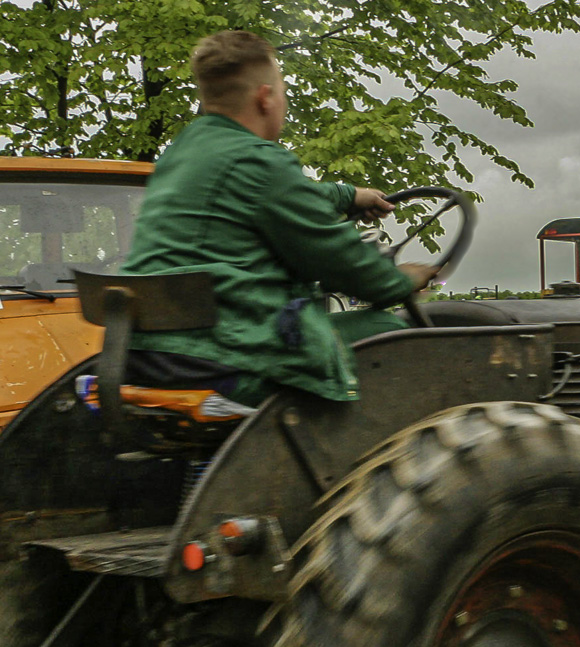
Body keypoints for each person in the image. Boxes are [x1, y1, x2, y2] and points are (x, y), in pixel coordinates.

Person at [123, 30, 437, 407]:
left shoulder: (182, 156)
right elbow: (346, 264)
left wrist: (349, 194)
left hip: (149, 354)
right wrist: (401, 280)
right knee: (391, 332)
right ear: (265, 98)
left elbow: (281, 195)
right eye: (283, 92)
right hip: (225, 361)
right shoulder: (260, 160)